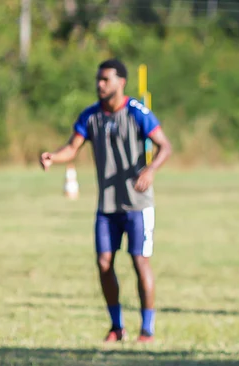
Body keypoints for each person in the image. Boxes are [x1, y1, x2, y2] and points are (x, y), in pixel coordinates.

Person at [40, 59, 173, 343]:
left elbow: (165, 145)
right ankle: (117, 326)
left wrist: (150, 169)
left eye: (106, 80)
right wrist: (53, 156)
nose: (100, 84)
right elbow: (72, 148)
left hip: (138, 204)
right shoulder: (90, 116)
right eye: (98, 79)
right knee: (103, 263)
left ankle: (146, 329)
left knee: (140, 262)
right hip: (107, 206)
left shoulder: (137, 112)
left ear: (121, 82)